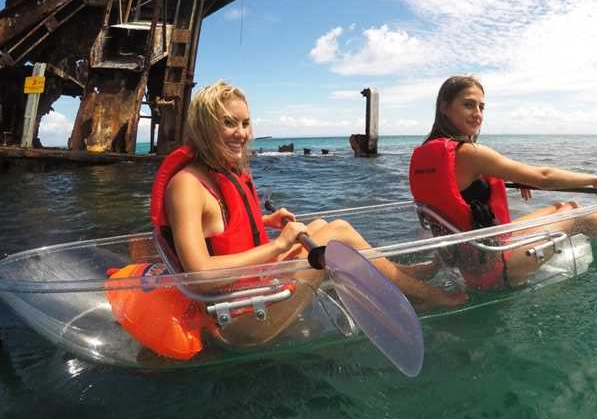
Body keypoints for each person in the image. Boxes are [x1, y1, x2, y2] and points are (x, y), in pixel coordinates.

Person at [156, 80, 466, 347]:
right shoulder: (187, 185)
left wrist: (265, 221)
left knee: (322, 225)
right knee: (336, 235)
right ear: (204, 127)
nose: (241, 133)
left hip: (252, 292)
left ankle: (402, 277)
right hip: (236, 321)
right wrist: (278, 245)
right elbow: (200, 277)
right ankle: (423, 294)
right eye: (228, 123)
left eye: (245, 123)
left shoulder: (214, 174)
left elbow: (218, 229)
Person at [409, 75, 597, 291]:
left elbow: (460, 189)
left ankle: (433, 267)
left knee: (561, 207)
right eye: (468, 105)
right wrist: (596, 180)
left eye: (481, 107)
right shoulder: (470, 153)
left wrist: (505, 176)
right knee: (576, 213)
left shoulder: (424, 155)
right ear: (444, 107)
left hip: (465, 264)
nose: (477, 113)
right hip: (497, 270)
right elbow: (543, 176)